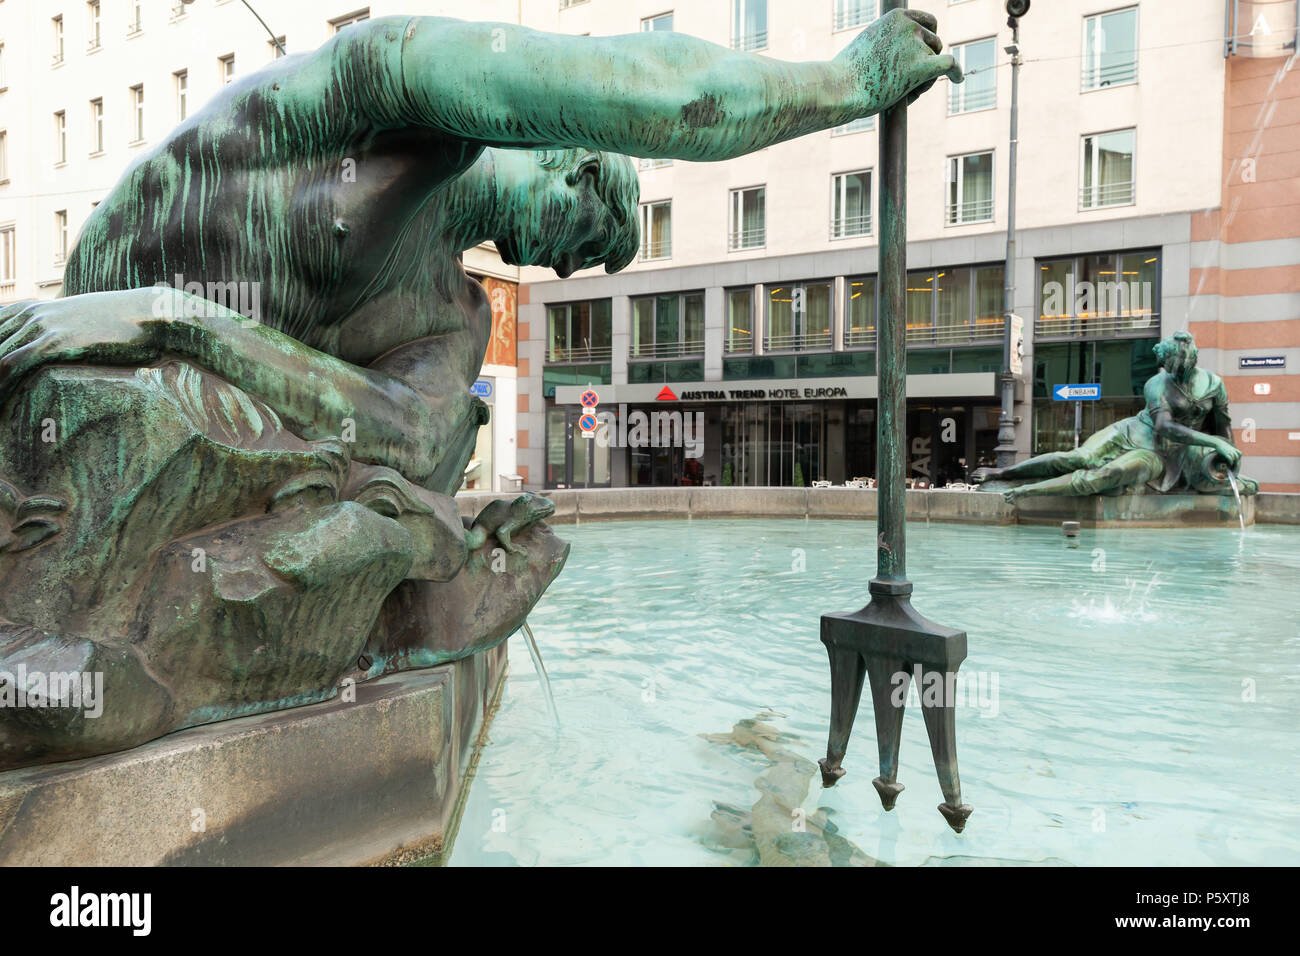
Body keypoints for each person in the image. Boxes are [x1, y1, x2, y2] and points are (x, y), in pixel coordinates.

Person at [0, 10, 961, 494]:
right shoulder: (385, 89)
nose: (568, 270)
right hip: (77, 326)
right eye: (591, 242)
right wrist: (845, 83)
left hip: (153, 408)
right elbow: (663, 90)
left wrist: (200, 334)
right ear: (575, 168)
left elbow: (405, 440)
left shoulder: (453, 312)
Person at [974, 332, 1257, 501]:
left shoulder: (1213, 384)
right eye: (1171, 367)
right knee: (1078, 458)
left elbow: (1223, 427)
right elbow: (1165, 426)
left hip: (1157, 454)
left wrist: (1228, 455)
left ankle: (1029, 491)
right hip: (1132, 432)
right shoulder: (1157, 384)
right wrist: (1216, 442)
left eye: (1179, 365)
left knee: (1104, 475)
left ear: (1190, 359)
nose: (1175, 371)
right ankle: (1003, 473)